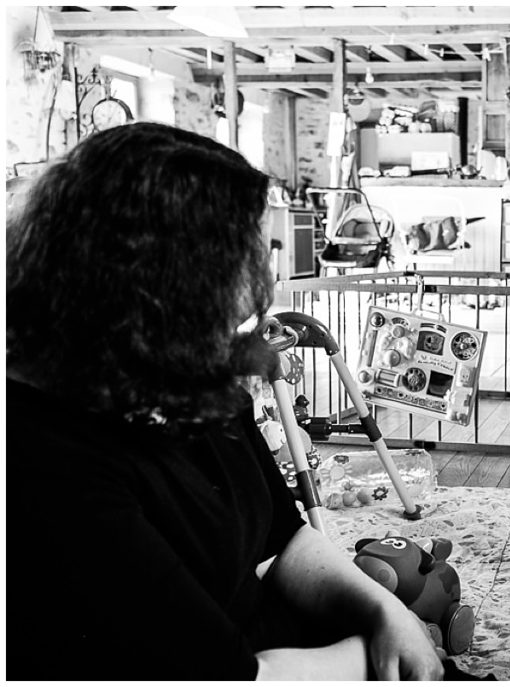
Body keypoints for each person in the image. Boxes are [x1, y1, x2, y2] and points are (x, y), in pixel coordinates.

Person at [6, 122, 444, 681]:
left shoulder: (192, 381)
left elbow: (284, 539)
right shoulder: (40, 460)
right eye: (250, 250)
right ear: (170, 277)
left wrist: (384, 610)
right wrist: (380, 651)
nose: (270, 273)